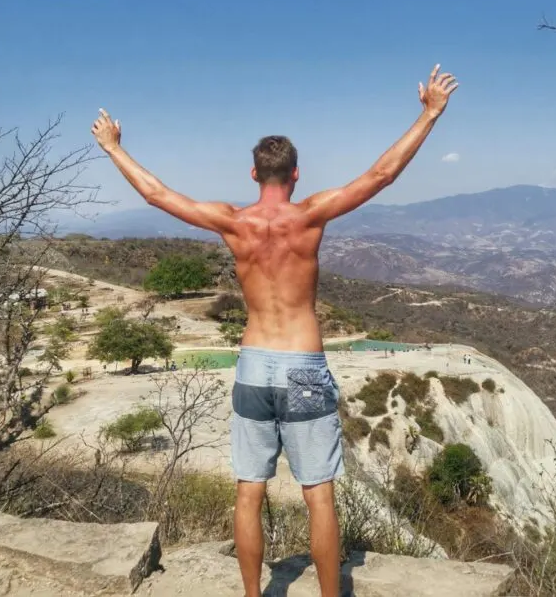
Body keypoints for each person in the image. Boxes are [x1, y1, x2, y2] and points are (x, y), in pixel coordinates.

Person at [91, 64, 459, 597]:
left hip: (254, 365)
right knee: (319, 495)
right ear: (295, 174)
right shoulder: (309, 215)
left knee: (248, 492)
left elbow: (157, 196)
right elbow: (380, 176)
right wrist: (429, 114)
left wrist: (114, 148)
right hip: (303, 366)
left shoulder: (232, 221)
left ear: (252, 175)